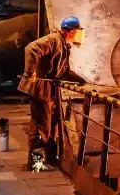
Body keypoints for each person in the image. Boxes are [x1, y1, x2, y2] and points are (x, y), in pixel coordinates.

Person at [19, 16, 88, 168]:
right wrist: (30, 73)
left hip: (50, 91)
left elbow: (61, 71)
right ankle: (36, 164)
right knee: (41, 126)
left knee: (53, 124)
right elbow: (31, 49)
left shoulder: (63, 45)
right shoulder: (53, 40)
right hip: (41, 89)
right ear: (70, 32)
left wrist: (79, 79)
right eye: (77, 32)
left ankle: (51, 158)